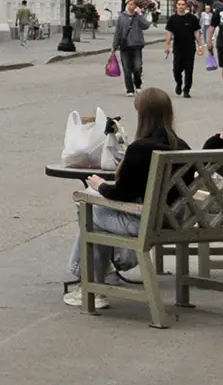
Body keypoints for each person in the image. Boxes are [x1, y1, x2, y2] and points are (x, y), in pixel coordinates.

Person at [65, 86, 188, 309]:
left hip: (144, 222)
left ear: (142, 115)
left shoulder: (140, 149)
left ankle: (89, 284)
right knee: (93, 208)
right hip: (175, 220)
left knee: (88, 205)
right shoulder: (182, 147)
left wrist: (100, 185)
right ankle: (105, 271)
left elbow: (121, 193)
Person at [163, 0, 202, 98]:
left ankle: (186, 90)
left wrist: (200, 45)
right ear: (176, 6)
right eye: (179, 4)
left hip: (190, 48)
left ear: (186, 6)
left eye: (183, 4)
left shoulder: (192, 18)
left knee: (189, 70)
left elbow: (196, 32)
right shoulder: (172, 19)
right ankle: (179, 84)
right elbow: (169, 33)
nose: (181, 6)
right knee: (176, 69)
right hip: (177, 48)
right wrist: (167, 45)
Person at [114, 0, 148, 96]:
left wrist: (140, 14)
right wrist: (114, 45)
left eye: (133, 4)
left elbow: (146, 26)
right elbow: (118, 32)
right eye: (129, 4)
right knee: (126, 68)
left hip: (137, 45)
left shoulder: (138, 17)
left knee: (137, 67)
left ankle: (138, 84)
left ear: (136, 6)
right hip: (125, 46)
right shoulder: (122, 17)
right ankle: (129, 89)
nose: (130, 6)